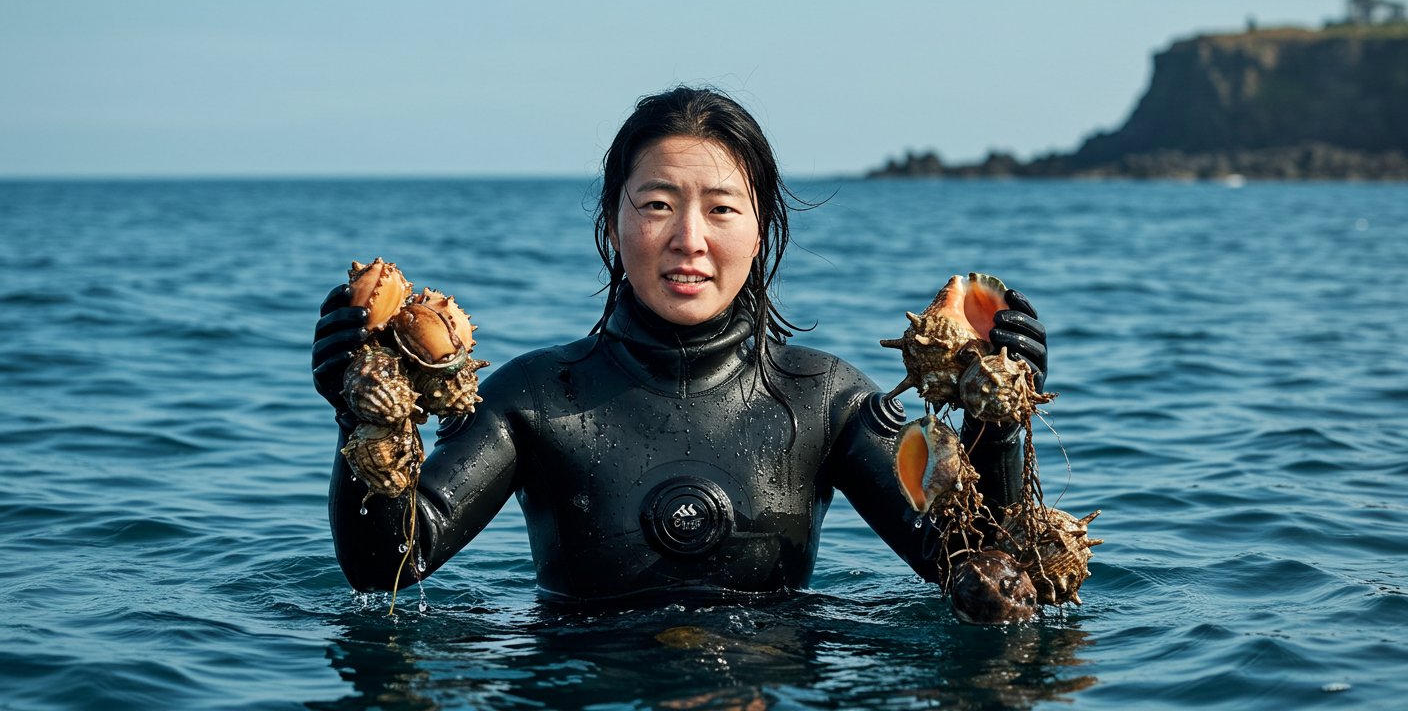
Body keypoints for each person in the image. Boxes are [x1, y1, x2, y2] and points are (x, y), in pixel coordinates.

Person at [311, 87, 1048, 600]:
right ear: (613, 220)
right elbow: (387, 566)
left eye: (721, 208)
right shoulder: (534, 399)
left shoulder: (826, 400)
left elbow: (975, 568)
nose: (688, 240)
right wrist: (362, 415)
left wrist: (997, 421)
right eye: (657, 205)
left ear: (761, 231)